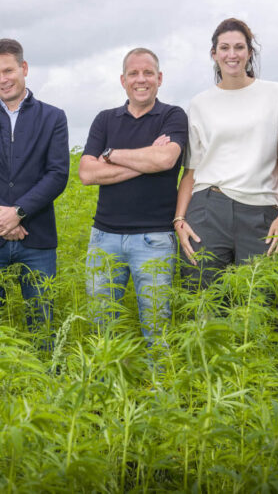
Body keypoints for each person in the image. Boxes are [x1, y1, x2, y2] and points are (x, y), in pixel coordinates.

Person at [173, 18, 278, 290]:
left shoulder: (276, 94)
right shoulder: (199, 103)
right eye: (225, 47)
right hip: (208, 208)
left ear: (249, 53)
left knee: (261, 300)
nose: (232, 55)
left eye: (239, 47)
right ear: (214, 54)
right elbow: (191, 170)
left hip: (262, 211)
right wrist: (179, 220)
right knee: (203, 299)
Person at [0, 38, 69, 339]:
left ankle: (43, 381)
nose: (2, 79)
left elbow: (57, 174)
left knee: (42, 324)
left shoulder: (53, 117)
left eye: (8, 70)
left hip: (37, 238)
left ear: (24, 68)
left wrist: (19, 213)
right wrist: (3, 218)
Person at [79, 48, 188, 344]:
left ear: (160, 78)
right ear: (123, 80)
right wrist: (147, 161)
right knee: (103, 328)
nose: (141, 80)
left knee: (157, 329)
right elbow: (87, 173)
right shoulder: (105, 120)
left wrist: (111, 155)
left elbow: (165, 161)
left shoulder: (173, 116)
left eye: (148, 73)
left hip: (154, 240)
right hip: (103, 239)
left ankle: (159, 387)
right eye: (134, 73)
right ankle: (107, 388)